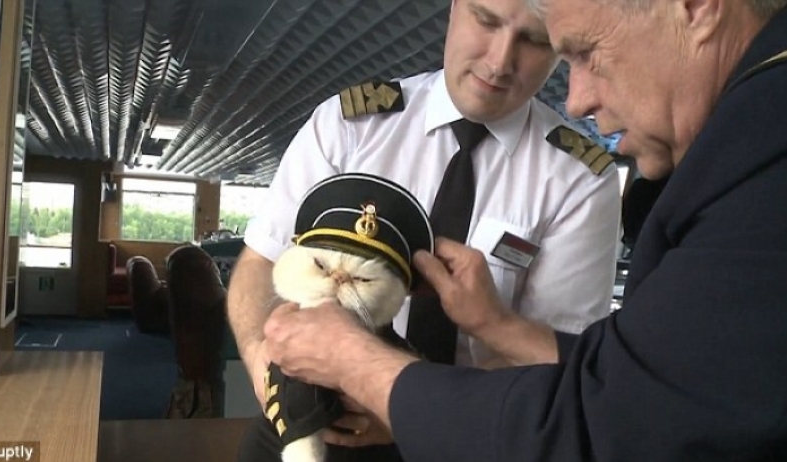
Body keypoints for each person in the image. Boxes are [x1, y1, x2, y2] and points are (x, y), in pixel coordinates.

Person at [263, 0, 787, 460]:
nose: (576, 100)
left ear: (695, 7)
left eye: (581, 52)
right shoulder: (348, 123)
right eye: (486, 19)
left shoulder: (756, 158)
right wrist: (497, 325)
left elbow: (601, 424)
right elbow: (633, 377)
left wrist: (358, 366)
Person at [229, 0, 621, 459]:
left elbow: (554, 364)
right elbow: (262, 261)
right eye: (486, 20)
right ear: (454, 8)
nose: (500, 61)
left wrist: (408, 406)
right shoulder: (350, 126)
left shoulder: (578, 180)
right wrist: (263, 367)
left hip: (467, 437)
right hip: (310, 420)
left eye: (534, 40)